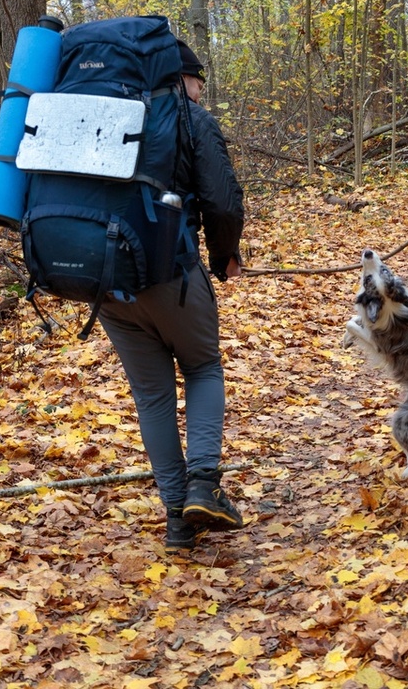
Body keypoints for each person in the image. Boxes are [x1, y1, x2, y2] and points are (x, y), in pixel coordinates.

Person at [97, 39, 246, 550]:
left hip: (105, 282)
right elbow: (223, 201)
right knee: (203, 367)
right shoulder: (188, 117)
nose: (202, 90)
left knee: (152, 395)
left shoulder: (98, 112)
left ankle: (177, 516)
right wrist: (226, 255)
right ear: (181, 77)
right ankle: (203, 484)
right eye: (199, 79)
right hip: (170, 275)